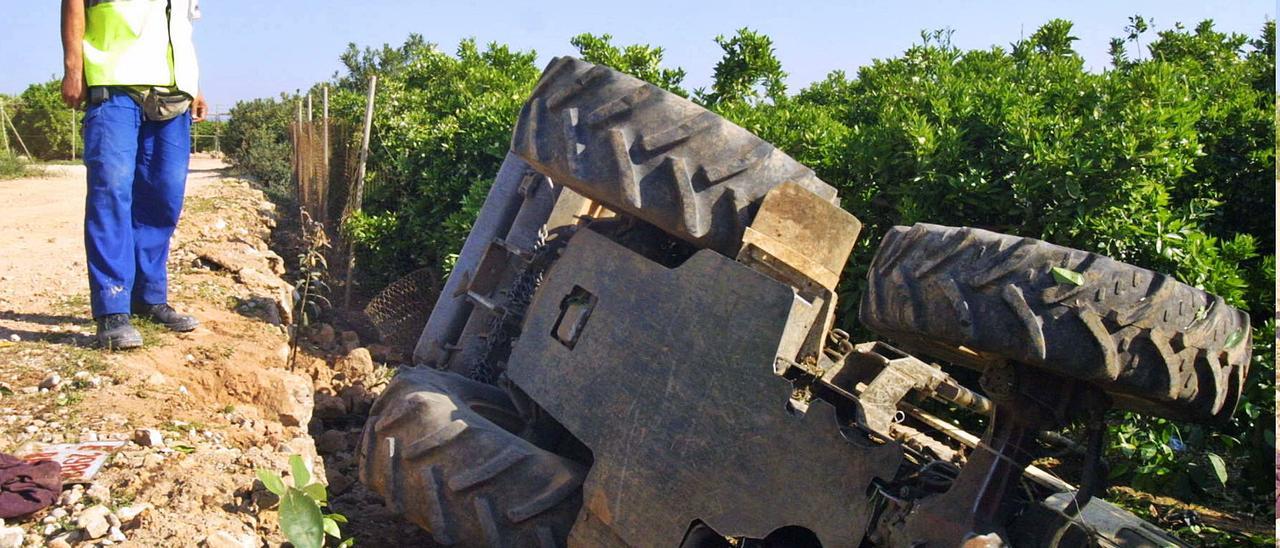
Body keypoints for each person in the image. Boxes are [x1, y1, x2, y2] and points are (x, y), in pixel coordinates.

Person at [60, 0, 207, 349]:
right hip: (115, 85)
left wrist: (195, 85)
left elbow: (180, 28)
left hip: (173, 96)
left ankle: (149, 298)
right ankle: (112, 309)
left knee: (164, 196)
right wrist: (73, 67)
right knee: (110, 191)